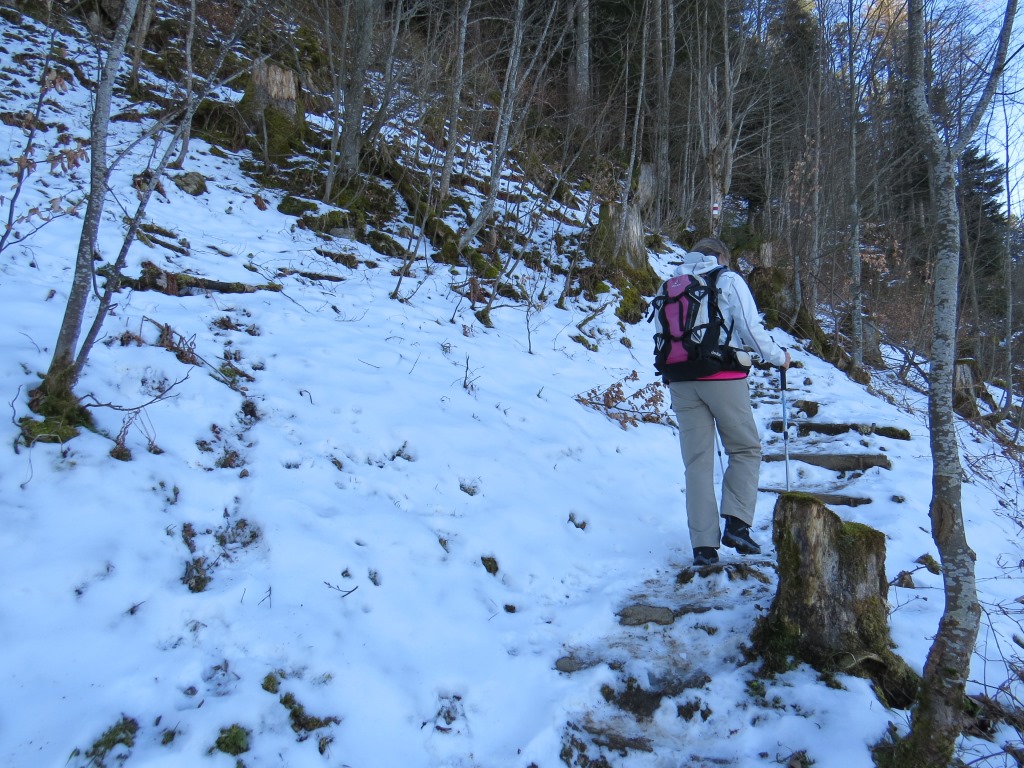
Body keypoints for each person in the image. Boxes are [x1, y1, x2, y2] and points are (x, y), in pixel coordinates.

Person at [666, 237, 791, 567]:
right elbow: (750, 328)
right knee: (745, 449)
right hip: (722, 376)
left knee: (697, 463)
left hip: (680, 380)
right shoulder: (728, 279)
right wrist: (779, 357)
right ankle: (737, 524)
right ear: (721, 256)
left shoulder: (672, 284)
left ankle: (703, 547)